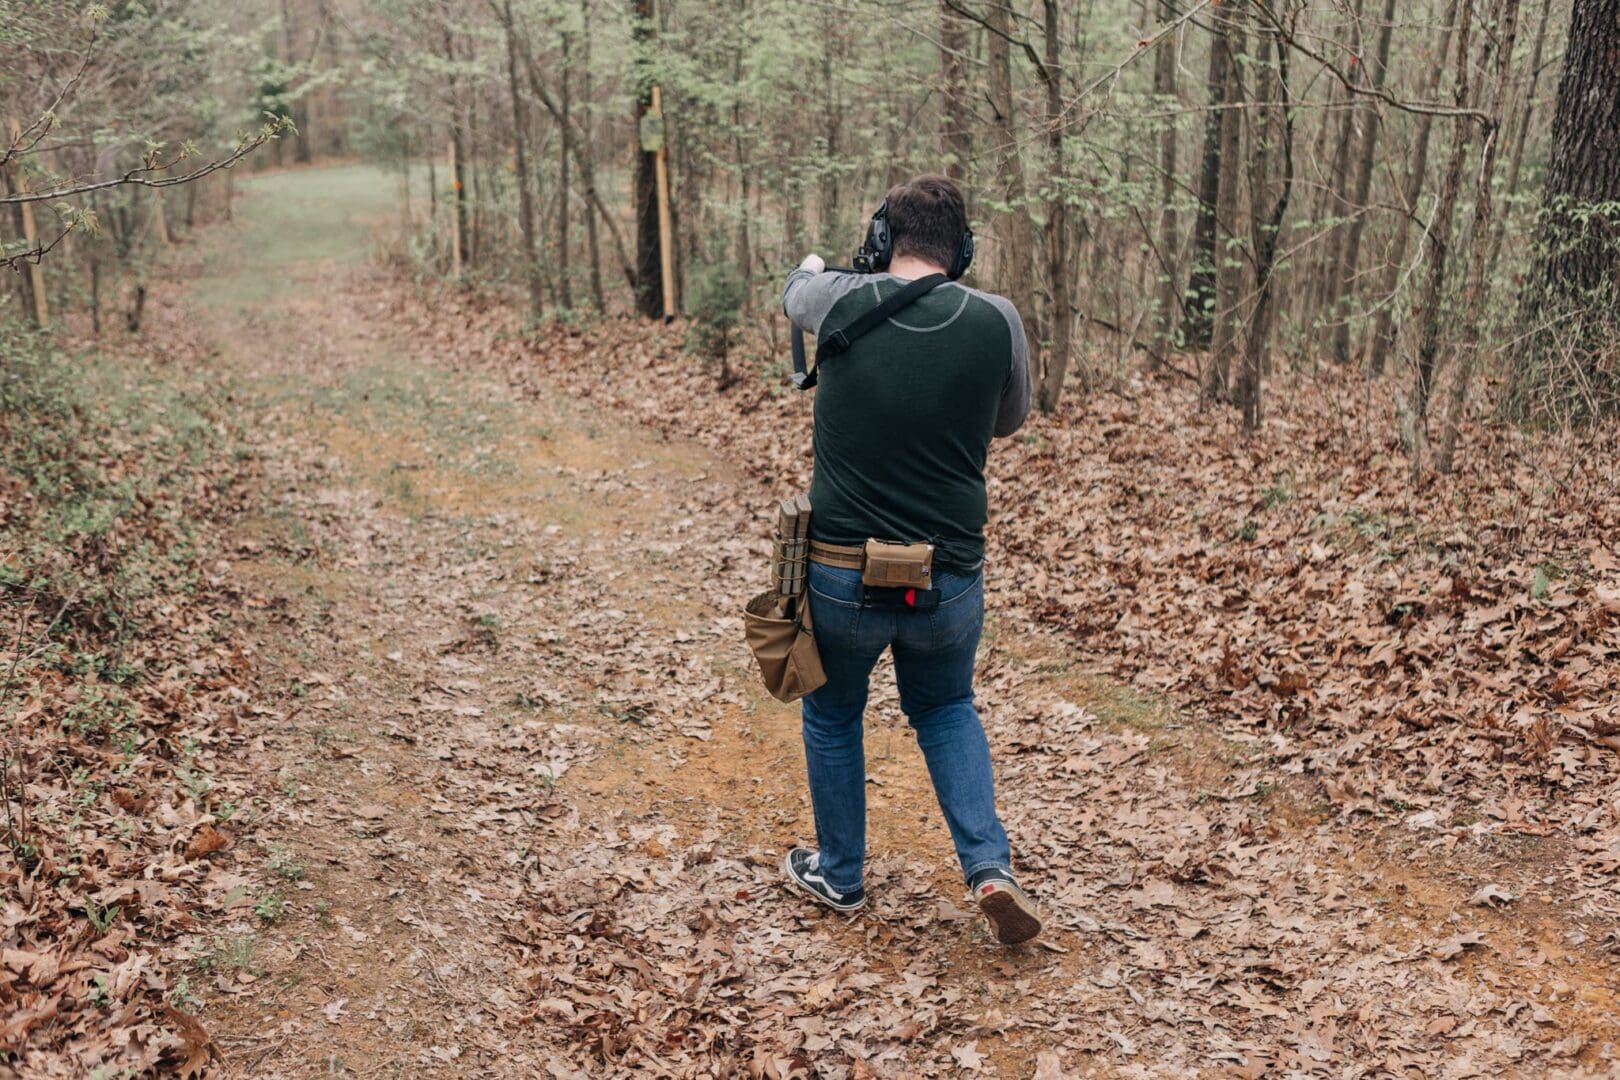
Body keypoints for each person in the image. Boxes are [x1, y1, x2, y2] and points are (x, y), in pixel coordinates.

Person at [778, 174, 1038, 945]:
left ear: (883, 240)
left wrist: (823, 266)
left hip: (839, 570)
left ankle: (841, 872)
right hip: (946, 574)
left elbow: (796, 290)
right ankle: (989, 868)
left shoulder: (837, 299)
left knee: (832, 713)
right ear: (961, 249)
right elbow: (1011, 419)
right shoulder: (998, 320)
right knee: (946, 707)